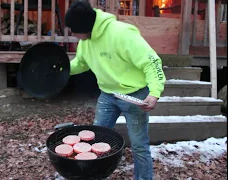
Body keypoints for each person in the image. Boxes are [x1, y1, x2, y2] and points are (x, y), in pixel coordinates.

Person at [65, 1, 166, 180]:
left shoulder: (122, 33)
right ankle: (94, 175)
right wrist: (61, 69)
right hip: (108, 95)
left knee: (139, 145)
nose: (73, 35)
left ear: (85, 26)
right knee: (94, 139)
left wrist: (155, 92)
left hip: (134, 95)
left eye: (75, 30)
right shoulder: (86, 41)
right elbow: (81, 63)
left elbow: (152, 62)